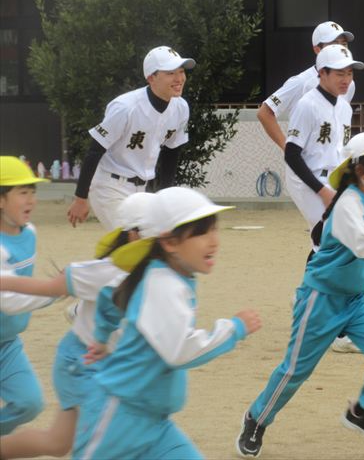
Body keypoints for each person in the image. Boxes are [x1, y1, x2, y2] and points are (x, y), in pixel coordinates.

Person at [236, 132, 364, 458]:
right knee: (295, 371)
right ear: (361, 170)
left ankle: (361, 411)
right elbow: (362, 244)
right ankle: (256, 419)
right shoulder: (347, 204)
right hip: (321, 299)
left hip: (355, 301)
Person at [72, 187, 262, 459]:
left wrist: (102, 339)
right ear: (170, 243)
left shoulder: (166, 276)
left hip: (155, 423)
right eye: (201, 232)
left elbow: (109, 298)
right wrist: (234, 329)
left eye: (214, 229)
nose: (214, 241)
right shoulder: (163, 284)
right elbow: (180, 351)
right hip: (118, 419)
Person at [0, 192, 154, 459]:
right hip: (82, 365)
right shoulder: (108, 271)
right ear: (134, 235)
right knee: (107, 438)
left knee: (56, 443)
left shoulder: (155, 273)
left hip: (103, 365)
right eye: (162, 236)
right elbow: (52, 286)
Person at [284, 44, 364, 354]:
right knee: (330, 243)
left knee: (326, 243)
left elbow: (338, 153)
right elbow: (292, 154)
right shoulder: (307, 105)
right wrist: (321, 191)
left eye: (349, 73)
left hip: (331, 181)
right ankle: (337, 330)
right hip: (306, 180)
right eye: (339, 73)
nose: (346, 79)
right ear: (322, 73)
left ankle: (305, 299)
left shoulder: (344, 107)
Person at [67, 46, 196, 230]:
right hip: (109, 187)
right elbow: (94, 151)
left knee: (150, 239)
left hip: (141, 191)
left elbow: (172, 152)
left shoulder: (181, 107)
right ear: (151, 78)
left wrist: (165, 198)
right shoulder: (126, 107)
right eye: (170, 73)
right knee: (133, 240)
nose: (179, 78)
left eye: (181, 71)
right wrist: (80, 197)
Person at [0, 156, 49, 435]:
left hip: (7, 343)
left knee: (30, 403)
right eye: (22, 192)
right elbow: (10, 300)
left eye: (33, 192)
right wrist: (58, 289)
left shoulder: (30, 232)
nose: (31, 200)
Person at [257, 21, 356, 151]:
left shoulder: (349, 83)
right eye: (334, 44)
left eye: (344, 44)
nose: (340, 48)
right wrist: (287, 148)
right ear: (317, 49)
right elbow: (264, 112)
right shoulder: (301, 82)